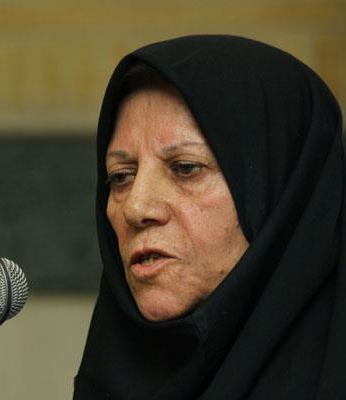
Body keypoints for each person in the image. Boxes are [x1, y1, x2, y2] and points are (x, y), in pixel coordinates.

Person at [74, 35, 345, 399]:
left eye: (185, 168)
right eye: (121, 176)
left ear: (283, 194)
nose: (136, 208)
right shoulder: (107, 381)